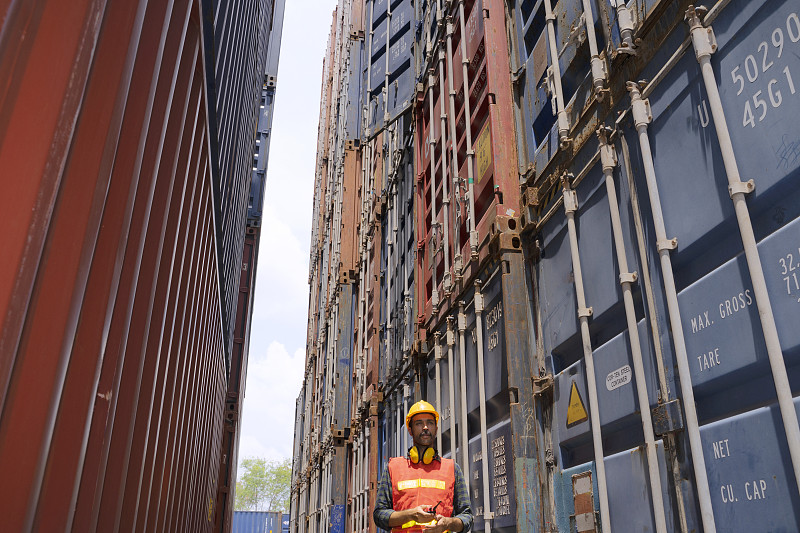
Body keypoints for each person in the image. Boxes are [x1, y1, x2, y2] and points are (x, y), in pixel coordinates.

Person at [373, 400, 473, 533]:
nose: (425, 427)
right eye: (419, 423)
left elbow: (467, 517)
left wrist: (448, 523)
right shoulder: (393, 468)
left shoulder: (451, 468)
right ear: (410, 430)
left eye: (430, 423)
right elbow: (379, 515)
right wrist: (410, 514)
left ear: (436, 429)